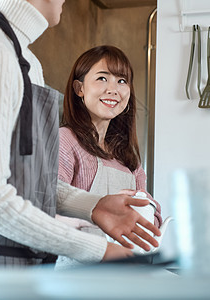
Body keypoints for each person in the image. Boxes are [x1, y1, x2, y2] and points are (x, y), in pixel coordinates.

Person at [0, 0, 160, 297]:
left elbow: (31, 186)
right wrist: (99, 250)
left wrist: (94, 205)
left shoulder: (27, 62)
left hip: (23, 272)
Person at [55, 45, 163, 268]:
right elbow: (49, 204)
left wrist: (150, 212)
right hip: (76, 272)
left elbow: (151, 213)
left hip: (121, 269)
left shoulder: (128, 157)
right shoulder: (65, 140)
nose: (114, 89)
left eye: (122, 81)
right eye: (102, 78)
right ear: (79, 88)